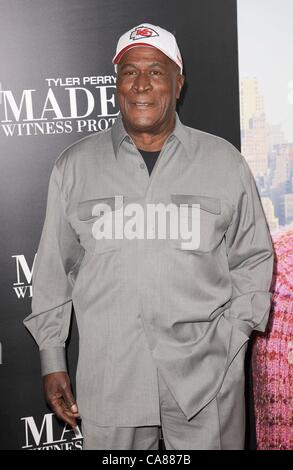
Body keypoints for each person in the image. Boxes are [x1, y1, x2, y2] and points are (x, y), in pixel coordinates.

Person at [24, 23, 274, 450]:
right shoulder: (74, 167)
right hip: (111, 383)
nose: (141, 84)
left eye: (156, 72)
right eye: (129, 72)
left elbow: (252, 259)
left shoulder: (225, 162)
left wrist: (232, 340)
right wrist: (52, 358)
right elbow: (53, 272)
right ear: (116, 84)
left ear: (179, 82)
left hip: (206, 383)